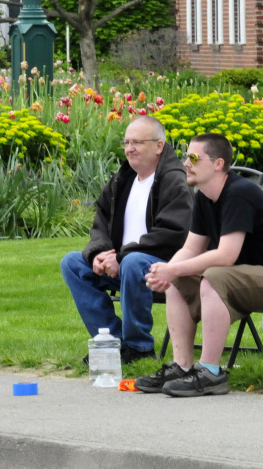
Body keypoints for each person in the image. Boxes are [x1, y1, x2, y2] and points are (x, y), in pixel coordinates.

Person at [137, 133, 263, 397]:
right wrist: (166, 272)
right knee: (179, 280)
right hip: (250, 275)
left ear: (218, 164)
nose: (186, 162)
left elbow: (226, 255)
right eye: (186, 156)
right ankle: (182, 367)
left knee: (214, 276)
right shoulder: (203, 198)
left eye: (194, 157)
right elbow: (191, 248)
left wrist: (173, 269)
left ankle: (210, 373)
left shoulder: (239, 193)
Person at [60, 116, 193, 364]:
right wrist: (100, 253)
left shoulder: (174, 180)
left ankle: (138, 347)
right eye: (127, 142)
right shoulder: (123, 180)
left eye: (137, 142)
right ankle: (112, 342)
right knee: (72, 263)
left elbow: (173, 233)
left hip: (163, 265)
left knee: (133, 262)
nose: (129, 148)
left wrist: (121, 257)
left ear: (159, 147)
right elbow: (100, 221)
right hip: (124, 262)